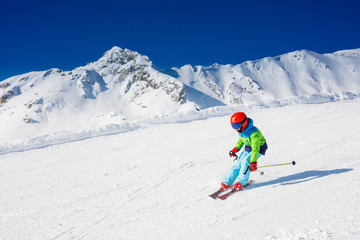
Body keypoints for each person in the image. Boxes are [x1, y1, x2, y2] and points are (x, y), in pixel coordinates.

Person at [220, 112, 268, 191]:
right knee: (238, 163)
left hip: (259, 147)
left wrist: (253, 162)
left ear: (244, 123)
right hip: (249, 147)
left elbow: (255, 148)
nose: (235, 128)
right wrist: (235, 150)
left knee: (246, 161)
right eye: (233, 126)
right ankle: (227, 181)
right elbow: (241, 141)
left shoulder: (253, 132)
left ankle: (241, 182)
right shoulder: (241, 131)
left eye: (237, 125)